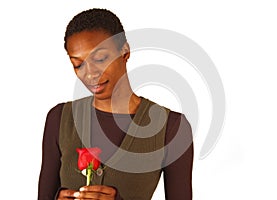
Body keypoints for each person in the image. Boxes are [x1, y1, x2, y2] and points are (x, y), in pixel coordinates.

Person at [38, 8, 193, 200]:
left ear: (125, 52)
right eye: (78, 64)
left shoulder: (172, 127)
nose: (90, 73)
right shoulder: (60, 119)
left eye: (100, 59)